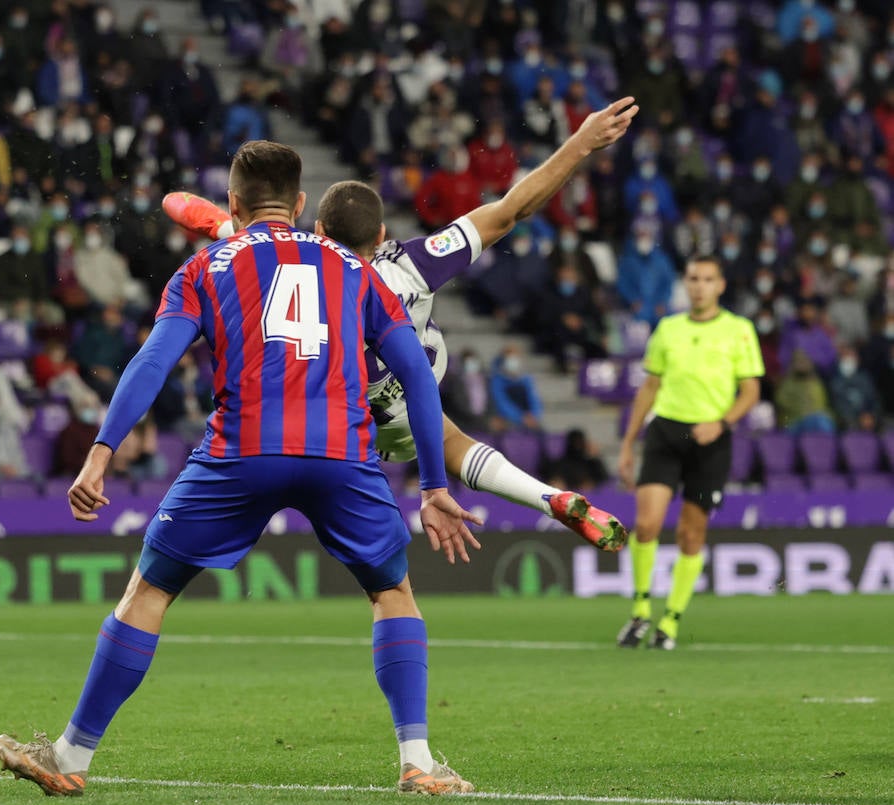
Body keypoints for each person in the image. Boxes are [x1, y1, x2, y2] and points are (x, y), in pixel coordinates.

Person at [0, 140, 481, 798]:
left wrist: (102, 450)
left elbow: (152, 363)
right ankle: (417, 761)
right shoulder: (358, 271)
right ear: (302, 205)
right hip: (340, 451)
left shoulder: (204, 267)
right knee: (391, 593)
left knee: (149, 592)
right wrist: (435, 486)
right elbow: (418, 375)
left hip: (242, 449)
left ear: (232, 203)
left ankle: (71, 757)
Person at [163, 96, 639, 549]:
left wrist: (224, 225)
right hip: (418, 382)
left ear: (321, 230)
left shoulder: (302, 267)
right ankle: (545, 497)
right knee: (450, 439)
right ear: (383, 234)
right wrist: (581, 142)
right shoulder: (415, 263)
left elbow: (201, 215)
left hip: (349, 414)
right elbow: (512, 209)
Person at [616, 255, 763, 651]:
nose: (699, 286)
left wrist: (723, 423)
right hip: (666, 433)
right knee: (646, 525)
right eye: (693, 278)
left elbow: (751, 390)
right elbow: (649, 387)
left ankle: (671, 622)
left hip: (711, 440)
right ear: (686, 283)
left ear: (721, 285)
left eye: (707, 279)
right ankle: (641, 611)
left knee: (690, 534)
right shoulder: (668, 328)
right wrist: (629, 442)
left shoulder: (739, 330)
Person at [489, 347, 545, 431]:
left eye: (515, 358)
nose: (513, 362)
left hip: (529, 418)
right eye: (509, 359)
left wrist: (533, 414)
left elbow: (534, 399)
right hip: (509, 419)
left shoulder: (526, 379)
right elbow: (502, 402)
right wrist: (520, 417)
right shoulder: (497, 381)